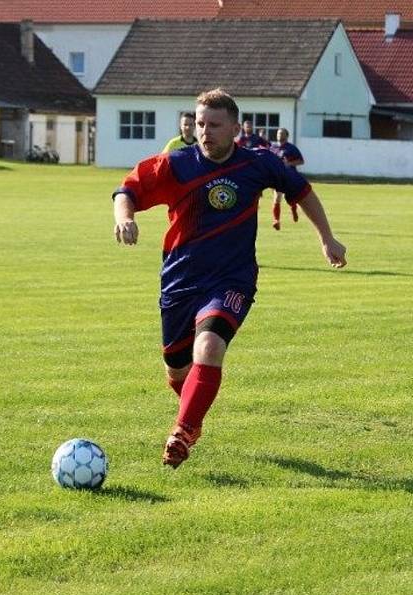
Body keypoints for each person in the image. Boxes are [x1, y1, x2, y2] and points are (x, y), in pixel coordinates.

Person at [112, 88, 347, 469]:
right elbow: (128, 189)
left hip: (232, 279)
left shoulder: (258, 164)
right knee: (177, 369)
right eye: (200, 124)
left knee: (209, 347)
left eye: (215, 125)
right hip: (180, 280)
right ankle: (193, 415)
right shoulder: (176, 164)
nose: (205, 132)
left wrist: (327, 237)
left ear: (236, 128)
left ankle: (183, 432)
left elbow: (302, 191)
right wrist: (124, 217)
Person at [270, 128, 304, 230]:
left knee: (291, 199)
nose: (279, 135)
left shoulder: (291, 148)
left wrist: (288, 164)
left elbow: (301, 161)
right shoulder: (273, 147)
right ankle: (276, 220)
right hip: (277, 177)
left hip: (289, 176)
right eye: (278, 133)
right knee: (277, 198)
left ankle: (293, 209)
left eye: (282, 134)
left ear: (286, 136)